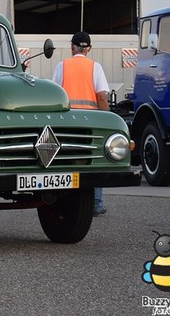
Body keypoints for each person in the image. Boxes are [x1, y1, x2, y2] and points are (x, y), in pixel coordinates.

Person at [52, 31, 109, 216]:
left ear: (72, 47)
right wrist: (107, 120)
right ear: (89, 49)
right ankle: (96, 204)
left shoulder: (62, 66)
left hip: (66, 122)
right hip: (91, 122)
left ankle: (67, 204)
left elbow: (55, 95)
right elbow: (101, 96)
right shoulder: (95, 67)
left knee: (67, 161)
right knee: (95, 161)